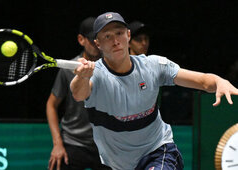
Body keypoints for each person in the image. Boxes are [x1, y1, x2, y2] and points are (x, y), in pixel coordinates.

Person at [70, 12, 238, 170]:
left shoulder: (153, 66)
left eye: (119, 33)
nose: (115, 41)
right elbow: (78, 93)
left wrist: (219, 81)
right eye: (107, 36)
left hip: (157, 150)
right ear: (98, 43)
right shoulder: (96, 75)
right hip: (120, 164)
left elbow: (202, 81)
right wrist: (82, 77)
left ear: (128, 35)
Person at [46, 17, 111, 170]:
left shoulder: (113, 67)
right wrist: (57, 144)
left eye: (100, 38)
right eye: (91, 39)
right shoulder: (68, 69)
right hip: (74, 142)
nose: (96, 43)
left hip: (106, 145)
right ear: (81, 40)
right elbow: (51, 105)